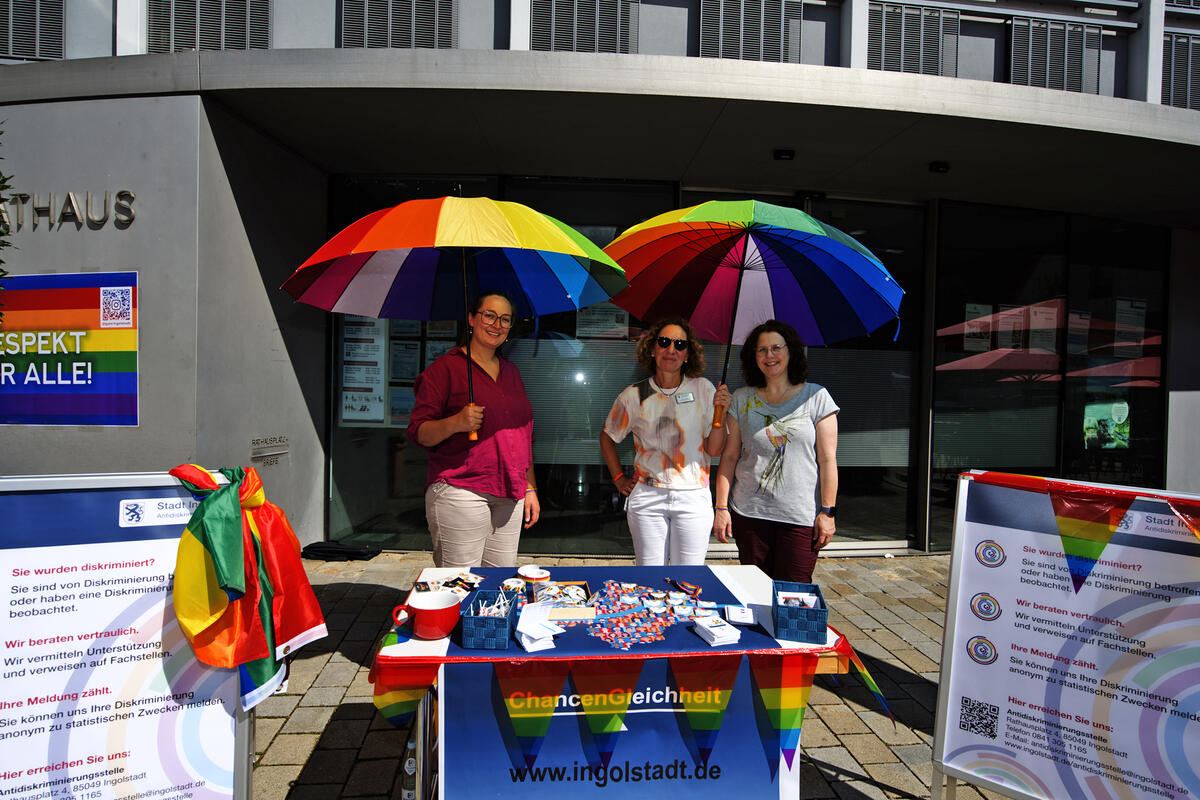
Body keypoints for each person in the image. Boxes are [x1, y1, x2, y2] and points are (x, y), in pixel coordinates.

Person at [407, 291, 540, 568]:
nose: (497, 325)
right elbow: (419, 433)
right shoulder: (444, 370)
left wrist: (530, 487)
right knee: (461, 584)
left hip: (510, 494)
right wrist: (456, 423)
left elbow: (525, 436)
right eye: (489, 315)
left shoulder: (511, 371)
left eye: (505, 319)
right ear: (471, 319)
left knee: (500, 586)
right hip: (462, 490)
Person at [712, 320, 839, 583]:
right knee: (756, 593)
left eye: (776, 348)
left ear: (791, 351)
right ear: (753, 357)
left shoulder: (817, 397)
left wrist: (827, 512)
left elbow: (827, 460)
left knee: (793, 596)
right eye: (761, 350)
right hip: (750, 514)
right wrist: (721, 507)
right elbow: (730, 456)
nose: (769, 356)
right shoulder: (741, 398)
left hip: (799, 516)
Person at [601, 318, 732, 565]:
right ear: (652, 349)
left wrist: (720, 414)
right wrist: (619, 478)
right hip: (648, 497)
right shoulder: (635, 395)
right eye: (664, 342)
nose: (671, 350)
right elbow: (608, 436)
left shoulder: (704, 390)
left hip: (694, 496)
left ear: (687, 355)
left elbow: (714, 449)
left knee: (689, 580)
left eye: (680, 344)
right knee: (649, 580)